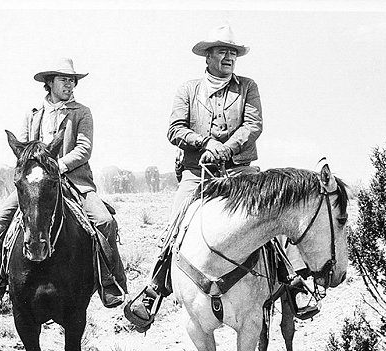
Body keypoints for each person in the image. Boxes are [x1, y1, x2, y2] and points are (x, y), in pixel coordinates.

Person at [124, 24, 318, 331]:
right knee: (176, 222)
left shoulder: (247, 87)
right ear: (208, 56)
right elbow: (174, 129)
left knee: (269, 217)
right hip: (197, 173)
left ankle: (294, 282)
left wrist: (225, 150)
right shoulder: (188, 89)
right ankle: (154, 289)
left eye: (233, 52)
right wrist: (204, 144)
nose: (229, 57)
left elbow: (253, 126)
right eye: (222, 51)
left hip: (240, 171)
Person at [0, 57, 127, 308]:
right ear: (49, 82)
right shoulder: (32, 114)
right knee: (0, 219)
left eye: (72, 80)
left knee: (104, 221)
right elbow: (22, 148)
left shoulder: (82, 112)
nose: (70, 84)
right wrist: (33, 169)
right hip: (36, 182)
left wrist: (57, 167)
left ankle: (110, 281)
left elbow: (83, 150)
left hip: (75, 181)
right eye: (64, 79)